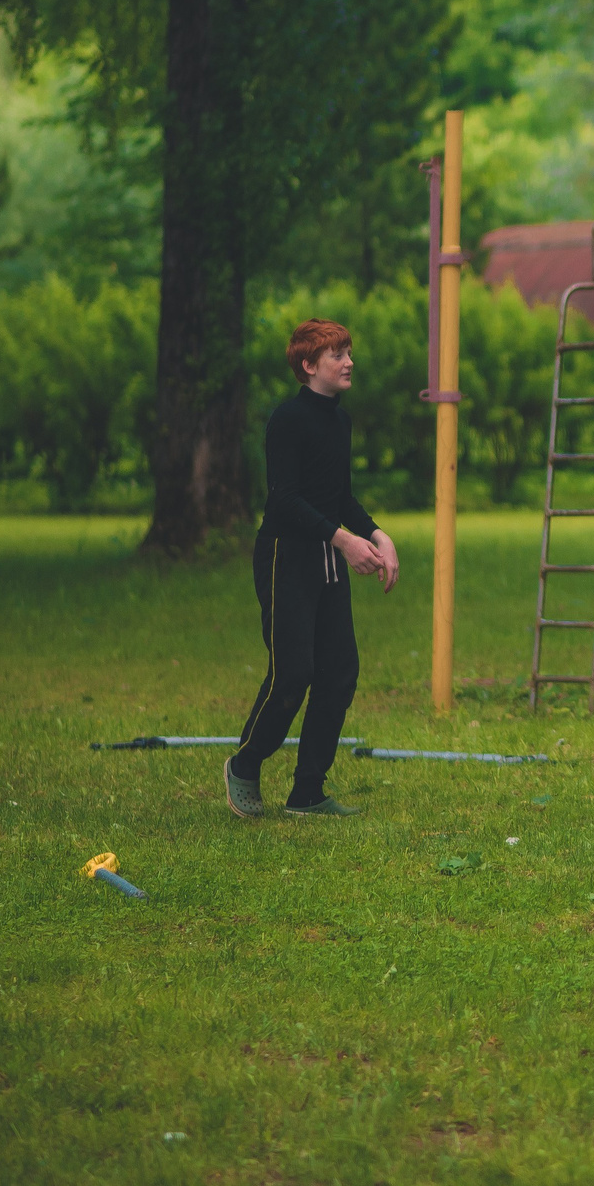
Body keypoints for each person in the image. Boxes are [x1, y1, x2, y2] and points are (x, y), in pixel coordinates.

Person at [225, 320, 399, 820]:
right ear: (308, 365)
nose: (349, 362)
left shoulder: (339, 422)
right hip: (287, 557)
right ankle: (245, 765)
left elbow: (338, 496)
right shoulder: (288, 420)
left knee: (340, 672)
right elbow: (284, 500)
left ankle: (307, 792)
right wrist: (343, 540)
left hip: (327, 556)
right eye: (337, 354)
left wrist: (376, 533)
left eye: (348, 352)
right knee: (292, 673)